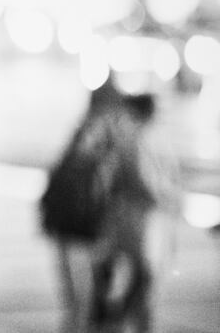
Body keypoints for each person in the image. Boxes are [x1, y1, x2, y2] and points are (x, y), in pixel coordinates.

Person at [42, 82, 180, 333]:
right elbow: (129, 180)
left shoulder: (91, 134)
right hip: (82, 230)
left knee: (87, 304)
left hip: (78, 229)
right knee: (86, 305)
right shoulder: (98, 136)